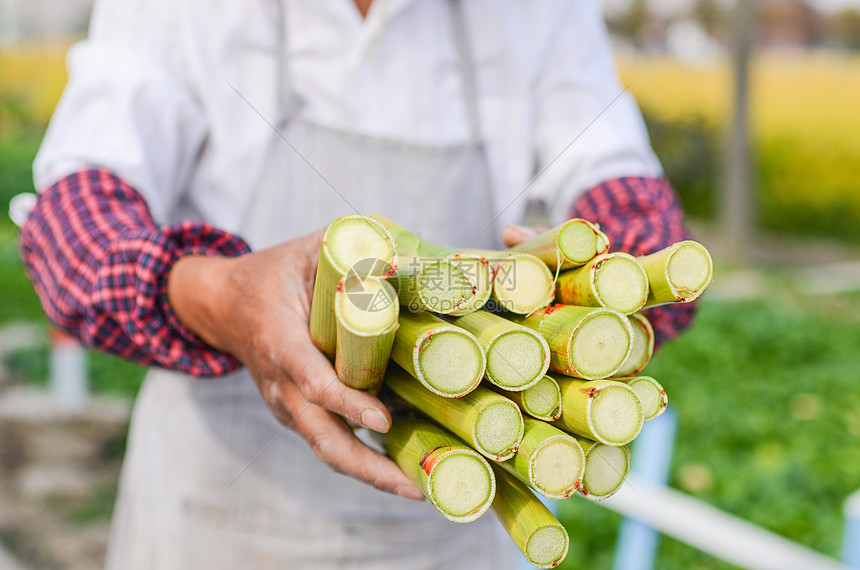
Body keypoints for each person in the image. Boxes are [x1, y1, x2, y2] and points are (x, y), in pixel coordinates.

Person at [18, 0, 698, 567]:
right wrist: (223, 298)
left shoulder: (535, 11)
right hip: (212, 518)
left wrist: (582, 303)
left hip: (454, 525)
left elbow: (636, 212)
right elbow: (73, 231)